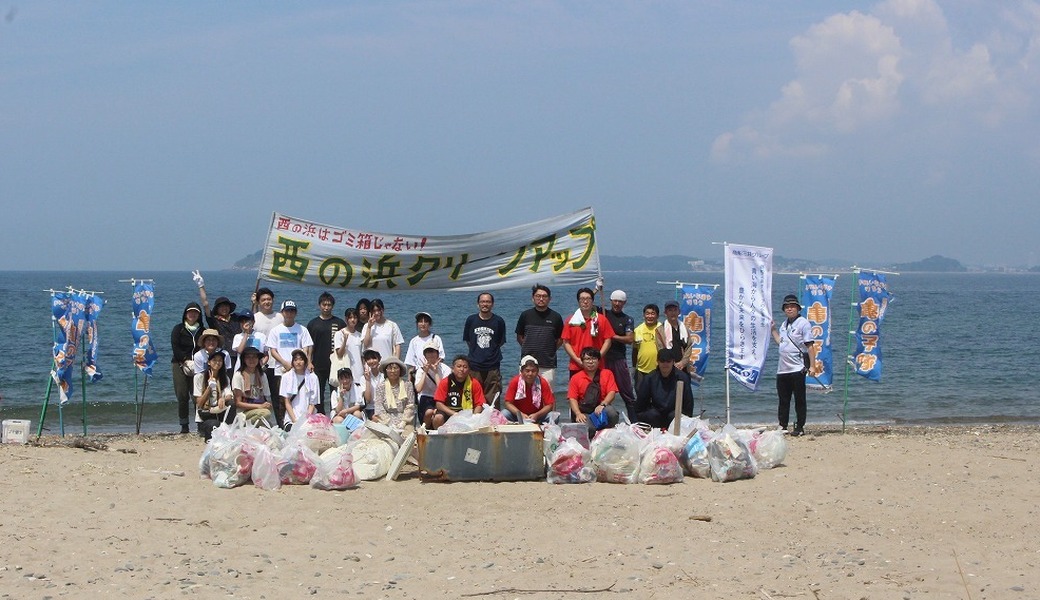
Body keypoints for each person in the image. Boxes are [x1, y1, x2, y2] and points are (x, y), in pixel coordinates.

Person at [771, 294, 818, 437]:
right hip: (782, 369)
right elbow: (781, 342)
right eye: (786, 307)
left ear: (798, 308)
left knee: (799, 400)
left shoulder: (803, 323)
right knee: (783, 400)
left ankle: (800, 427)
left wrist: (812, 366)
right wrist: (773, 330)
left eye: (792, 306)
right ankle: (783, 426)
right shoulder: (784, 325)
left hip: (798, 368)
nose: (789, 309)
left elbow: (810, 346)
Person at [266, 300, 314, 425]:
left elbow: (306, 348)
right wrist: (285, 363)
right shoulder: (275, 330)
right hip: (281, 370)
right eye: (287, 311)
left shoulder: (302, 329)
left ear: (296, 313)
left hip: (299, 370)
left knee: (298, 397)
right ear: (282, 312)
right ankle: (282, 425)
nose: (289, 313)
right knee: (281, 400)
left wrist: (305, 362)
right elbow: (273, 350)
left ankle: (299, 422)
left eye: (292, 311)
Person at [462, 292, 507, 406]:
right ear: (478, 304)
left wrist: (490, 352)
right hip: (474, 365)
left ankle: (493, 417)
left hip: (493, 366)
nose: (485, 304)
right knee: (474, 398)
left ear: (492, 304)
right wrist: (477, 352)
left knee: (493, 400)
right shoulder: (471, 320)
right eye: (482, 302)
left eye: (488, 302)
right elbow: (468, 340)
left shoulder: (499, 321)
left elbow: (500, 342)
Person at [515, 284, 564, 385]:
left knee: (547, 393)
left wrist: (550, 350)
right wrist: (528, 347)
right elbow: (519, 336)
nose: (541, 299)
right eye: (538, 296)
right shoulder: (525, 315)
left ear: (550, 299)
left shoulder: (556, 317)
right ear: (533, 298)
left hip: (548, 364)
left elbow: (560, 339)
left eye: (544, 296)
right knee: (525, 392)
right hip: (527, 363)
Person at [561, 287, 615, 378]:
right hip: (577, 365)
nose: (585, 302)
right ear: (578, 301)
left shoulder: (601, 319)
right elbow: (566, 342)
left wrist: (598, 357)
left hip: (597, 366)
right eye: (582, 299)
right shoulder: (571, 321)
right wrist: (577, 359)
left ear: (592, 301)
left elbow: (608, 340)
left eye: (588, 299)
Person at [307, 292, 346, 415]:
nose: (326, 307)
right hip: (317, 364)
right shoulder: (313, 324)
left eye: (329, 305)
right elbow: (309, 345)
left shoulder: (339, 323)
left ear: (332, 306)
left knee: (336, 393)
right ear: (319, 305)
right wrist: (309, 361)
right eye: (324, 305)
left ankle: (335, 416)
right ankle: (321, 417)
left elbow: (344, 344)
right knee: (318, 394)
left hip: (335, 365)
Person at [633, 349, 695, 429]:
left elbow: (688, 403)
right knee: (652, 414)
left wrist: (687, 420)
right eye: (662, 361)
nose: (665, 364)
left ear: (673, 362)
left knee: (675, 415)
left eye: (668, 361)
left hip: (674, 415)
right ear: (658, 362)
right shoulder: (650, 378)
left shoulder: (682, 377)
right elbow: (641, 404)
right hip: (656, 415)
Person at [567, 347, 619, 437]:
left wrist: (603, 405)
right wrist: (578, 413)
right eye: (587, 359)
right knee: (589, 429)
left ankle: (606, 433)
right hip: (584, 411)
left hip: (600, 408)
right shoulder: (575, 378)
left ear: (599, 361)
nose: (590, 362)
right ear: (582, 361)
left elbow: (612, 392)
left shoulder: (607, 373)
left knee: (612, 413)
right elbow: (572, 398)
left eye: (594, 359)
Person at [171, 302, 205, 434]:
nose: (192, 314)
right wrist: (184, 360)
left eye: (195, 312)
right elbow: (175, 347)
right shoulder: (178, 329)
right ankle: (184, 425)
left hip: (198, 365)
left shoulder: (202, 330)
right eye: (190, 312)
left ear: (199, 315)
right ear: (185, 314)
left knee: (198, 395)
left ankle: (200, 424)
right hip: (179, 364)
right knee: (182, 395)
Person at [602, 289, 636, 420]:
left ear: (624, 303)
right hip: (603, 358)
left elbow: (629, 339)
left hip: (619, 359)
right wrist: (597, 288)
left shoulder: (628, 319)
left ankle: (634, 422)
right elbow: (586, 301)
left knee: (627, 392)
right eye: (615, 301)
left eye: (620, 301)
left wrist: (612, 336)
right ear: (610, 301)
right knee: (602, 392)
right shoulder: (603, 313)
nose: (617, 304)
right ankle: (603, 420)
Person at [191, 270, 242, 358]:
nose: (224, 308)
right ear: (217, 309)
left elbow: (250, 320)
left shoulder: (236, 317)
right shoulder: (214, 321)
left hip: (240, 354)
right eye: (221, 307)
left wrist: (254, 303)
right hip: (223, 355)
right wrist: (201, 286)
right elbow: (205, 304)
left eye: (226, 306)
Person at [430, 355, 486, 430]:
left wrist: (474, 417)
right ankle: (439, 435)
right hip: (449, 413)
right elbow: (439, 404)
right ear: (453, 369)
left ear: (469, 370)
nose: (462, 369)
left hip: (467, 415)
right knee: (438, 417)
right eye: (459, 366)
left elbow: (479, 404)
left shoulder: (474, 383)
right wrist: (455, 414)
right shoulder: (445, 382)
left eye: (465, 367)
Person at [502, 355, 555, 424]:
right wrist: (521, 414)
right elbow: (508, 403)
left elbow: (549, 405)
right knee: (504, 414)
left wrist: (537, 415)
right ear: (521, 371)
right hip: (518, 415)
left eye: (533, 371)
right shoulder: (515, 381)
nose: (530, 374)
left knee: (553, 416)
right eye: (527, 371)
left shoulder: (542, 382)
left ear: (537, 371)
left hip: (537, 416)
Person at [193, 351, 234, 440]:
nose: (217, 363)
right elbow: (199, 403)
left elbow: (229, 395)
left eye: (220, 360)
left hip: (219, 412)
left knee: (232, 403)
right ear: (209, 362)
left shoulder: (224, 378)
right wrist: (209, 388)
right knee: (214, 425)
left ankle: (229, 428)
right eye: (214, 360)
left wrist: (223, 399)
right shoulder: (199, 377)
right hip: (206, 415)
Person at [371, 357, 416, 433]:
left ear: (400, 370)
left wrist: (404, 422)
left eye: (395, 368)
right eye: (390, 368)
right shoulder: (380, 387)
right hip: (385, 421)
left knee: (408, 435)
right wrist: (388, 423)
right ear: (386, 370)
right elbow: (379, 408)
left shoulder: (408, 385)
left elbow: (410, 405)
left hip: (405, 420)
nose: (393, 371)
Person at [279, 349, 319, 432]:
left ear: (305, 361)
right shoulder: (286, 377)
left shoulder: (313, 378)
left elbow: (312, 403)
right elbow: (287, 402)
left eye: (301, 359)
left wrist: (306, 420)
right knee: (292, 431)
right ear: (292, 362)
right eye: (295, 359)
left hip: (309, 418)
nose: (298, 362)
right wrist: (295, 421)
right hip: (291, 418)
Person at [232, 346, 273, 426]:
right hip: (244, 411)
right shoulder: (238, 375)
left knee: (268, 421)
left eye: (254, 357)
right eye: (248, 357)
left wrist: (267, 404)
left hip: (259, 408)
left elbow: (267, 396)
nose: (252, 360)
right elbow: (238, 403)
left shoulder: (262, 375)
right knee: (265, 413)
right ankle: (244, 425)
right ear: (244, 359)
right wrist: (259, 406)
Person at [414, 343, 450, 428]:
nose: (430, 354)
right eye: (428, 352)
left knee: (438, 417)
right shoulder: (420, 370)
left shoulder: (445, 369)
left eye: (432, 352)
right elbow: (418, 389)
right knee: (429, 412)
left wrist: (436, 372)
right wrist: (425, 372)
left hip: (441, 398)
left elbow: (443, 390)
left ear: (437, 354)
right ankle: (425, 429)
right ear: (425, 355)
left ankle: (435, 430)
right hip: (426, 396)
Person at [403, 311, 444, 377]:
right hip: (420, 375)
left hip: (435, 373)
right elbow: (411, 364)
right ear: (417, 324)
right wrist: (409, 380)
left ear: (430, 324)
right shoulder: (414, 341)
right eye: (420, 321)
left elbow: (441, 358)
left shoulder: (436, 338)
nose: (423, 324)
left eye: (426, 321)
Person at [332, 308, 364, 389]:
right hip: (345, 373)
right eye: (350, 318)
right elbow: (339, 354)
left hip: (358, 372)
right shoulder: (339, 334)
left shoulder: (359, 335)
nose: (353, 320)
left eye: (355, 317)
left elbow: (361, 356)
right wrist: (345, 341)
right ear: (346, 319)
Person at [632, 303, 661, 391]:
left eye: (653, 313)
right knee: (641, 394)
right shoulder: (637, 330)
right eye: (647, 313)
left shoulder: (662, 329)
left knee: (658, 395)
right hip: (641, 370)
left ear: (657, 316)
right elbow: (635, 350)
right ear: (644, 315)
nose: (650, 316)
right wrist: (633, 367)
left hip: (659, 369)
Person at [655, 300, 690, 370]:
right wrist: (671, 364)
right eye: (670, 310)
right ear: (665, 313)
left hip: (683, 366)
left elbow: (689, 347)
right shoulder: (660, 330)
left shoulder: (685, 328)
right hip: (667, 367)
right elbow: (660, 349)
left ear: (679, 312)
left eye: (675, 310)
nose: (673, 313)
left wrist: (682, 363)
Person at [359, 349, 383, 421]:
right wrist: (368, 380)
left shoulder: (384, 376)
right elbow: (368, 400)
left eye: (374, 358)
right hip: (370, 408)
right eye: (368, 359)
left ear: (379, 359)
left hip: (383, 407)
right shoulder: (363, 378)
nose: (371, 361)